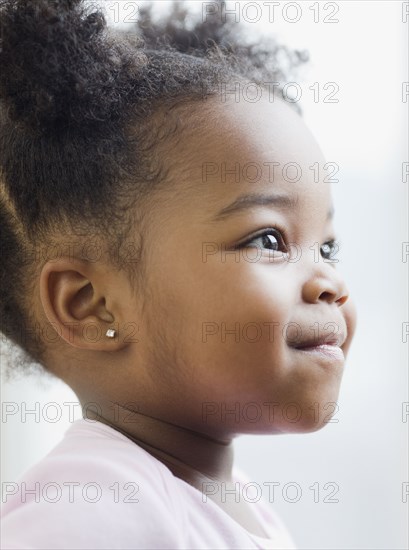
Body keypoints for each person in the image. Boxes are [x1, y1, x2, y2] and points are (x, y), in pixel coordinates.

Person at [0, 0, 357, 548]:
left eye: (327, 247)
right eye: (269, 239)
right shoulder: (91, 501)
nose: (331, 283)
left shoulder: (231, 498)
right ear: (91, 304)